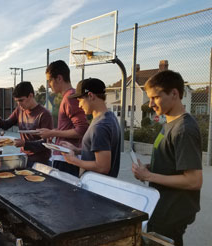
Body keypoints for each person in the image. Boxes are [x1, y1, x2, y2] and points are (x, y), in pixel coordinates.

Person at [131, 70, 203, 246]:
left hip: (172, 213)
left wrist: (149, 176)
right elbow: (172, 162)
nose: (150, 104)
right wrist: (150, 168)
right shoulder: (169, 123)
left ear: (174, 94)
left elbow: (194, 180)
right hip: (161, 207)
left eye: (155, 97)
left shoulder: (184, 129)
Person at [61, 78, 121, 177]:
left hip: (97, 186)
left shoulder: (100, 127)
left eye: (80, 100)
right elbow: (101, 150)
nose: (79, 105)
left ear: (90, 96)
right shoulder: (110, 117)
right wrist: (77, 150)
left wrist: (73, 160)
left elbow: (103, 167)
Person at [37, 60, 89, 176]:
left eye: (50, 80)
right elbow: (70, 128)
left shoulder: (70, 98)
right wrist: (53, 133)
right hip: (64, 157)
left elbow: (82, 129)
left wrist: (52, 133)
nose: (49, 85)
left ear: (59, 78)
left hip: (66, 158)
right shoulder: (68, 96)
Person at [0, 81, 53, 167]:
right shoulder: (20, 110)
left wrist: (25, 144)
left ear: (31, 96)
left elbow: (46, 144)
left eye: (21, 100)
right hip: (23, 158)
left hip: (40, 162)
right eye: (17, 101)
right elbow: (6, 125)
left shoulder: (44, 114)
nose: (19, 104)